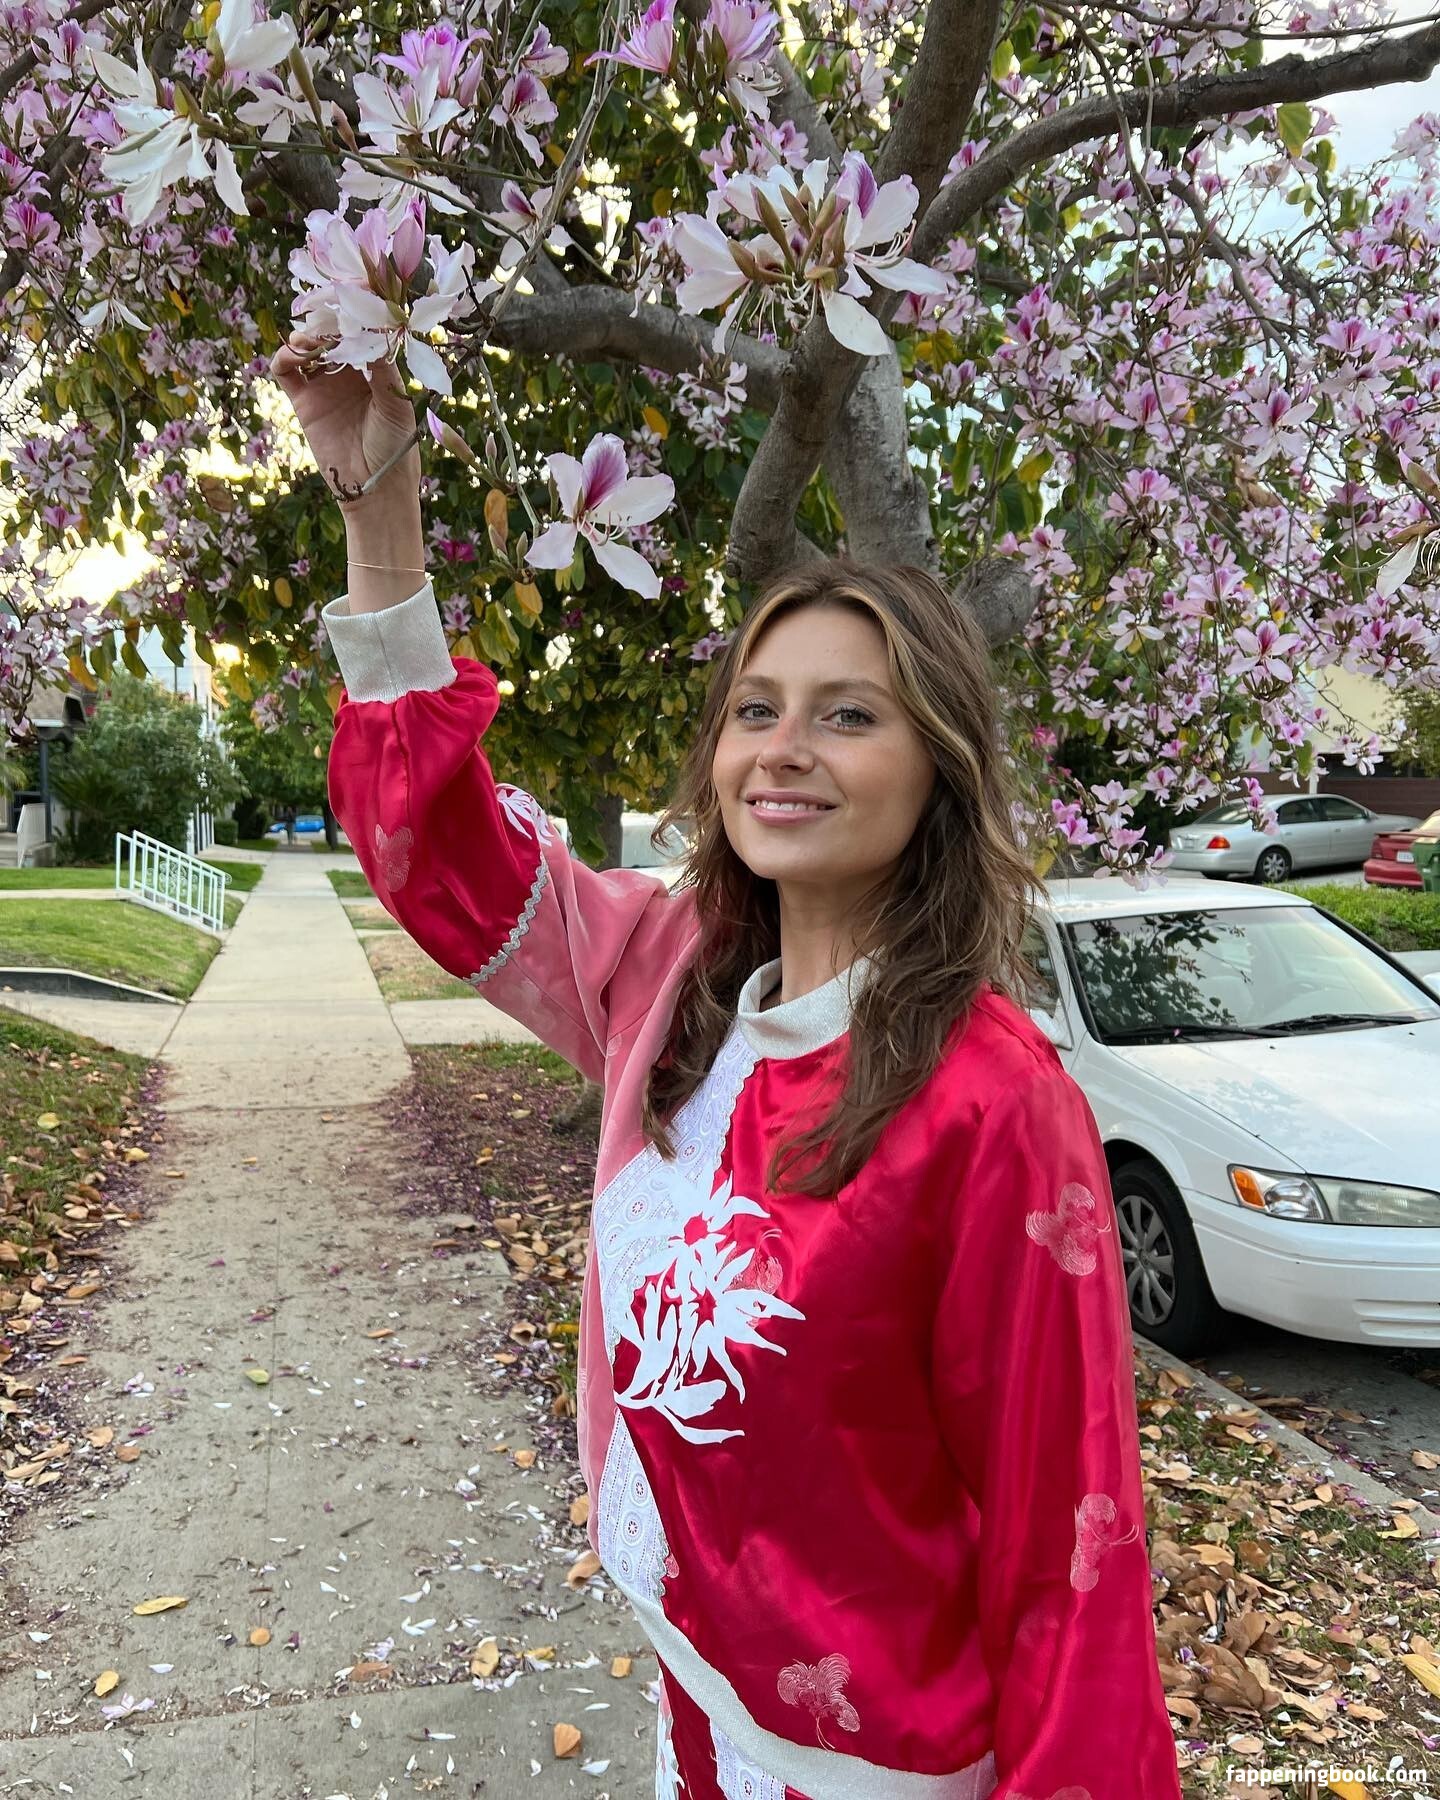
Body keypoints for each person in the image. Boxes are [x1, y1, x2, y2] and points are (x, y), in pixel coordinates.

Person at [271, 334, 1182, 1800]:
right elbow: (434, 856)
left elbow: (1068, 1549)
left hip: (870, 1769)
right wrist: (379, 505)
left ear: (940, 764)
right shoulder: (669, 975)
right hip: (691, 1701)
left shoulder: (996, 1104)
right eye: (757, 709)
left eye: (850, 714)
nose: (785, 749)